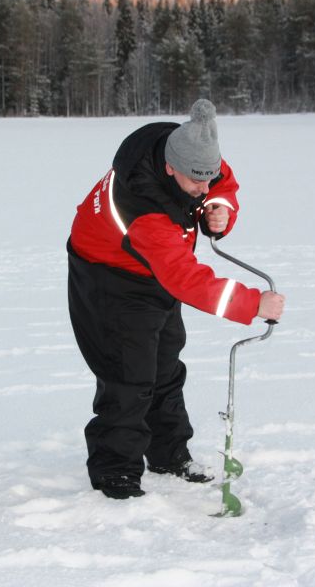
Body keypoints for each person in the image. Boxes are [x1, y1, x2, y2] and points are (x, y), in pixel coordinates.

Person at [67, 98, 286, 500]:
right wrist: (252, 304)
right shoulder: (145, 209)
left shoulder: (189, 148)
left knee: (166, 365)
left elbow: (222, 184)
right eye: (196, 183)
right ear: (170, 168)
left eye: (208, 178)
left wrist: (218, 209)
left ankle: (169, 454)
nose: (204, 188)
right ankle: (116, 472)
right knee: (128, 375)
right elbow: (186, 279)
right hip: (109, 278)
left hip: (154, 269)